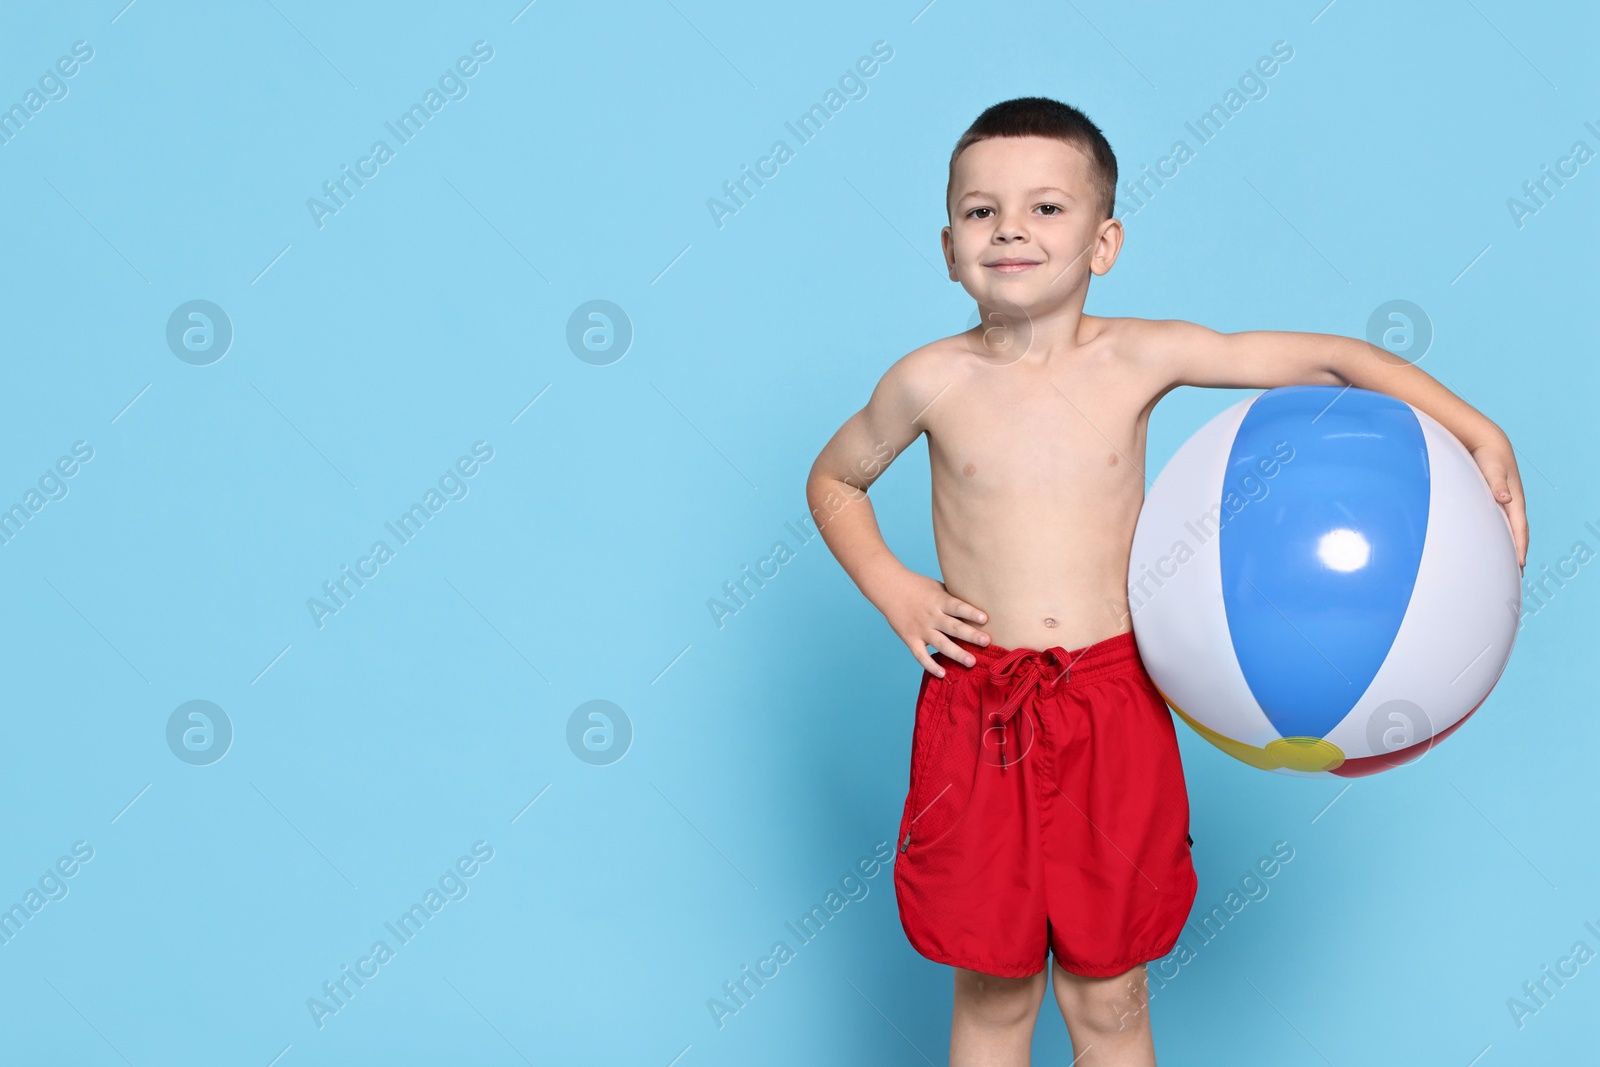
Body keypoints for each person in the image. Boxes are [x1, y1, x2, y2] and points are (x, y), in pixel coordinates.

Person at [804, 96, 1529, 1067]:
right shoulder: (926, 379)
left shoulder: (1140, 355)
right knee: (991, 988)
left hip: (1111, 700)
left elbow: (1328, 357)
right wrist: (893, 584)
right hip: (978, 705)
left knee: (1107, 994)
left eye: (1045, 208)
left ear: (1103, 242)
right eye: (981, 211)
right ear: (946, 246)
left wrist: (1479, 428)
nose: (1010, 227)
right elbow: (835, 478)